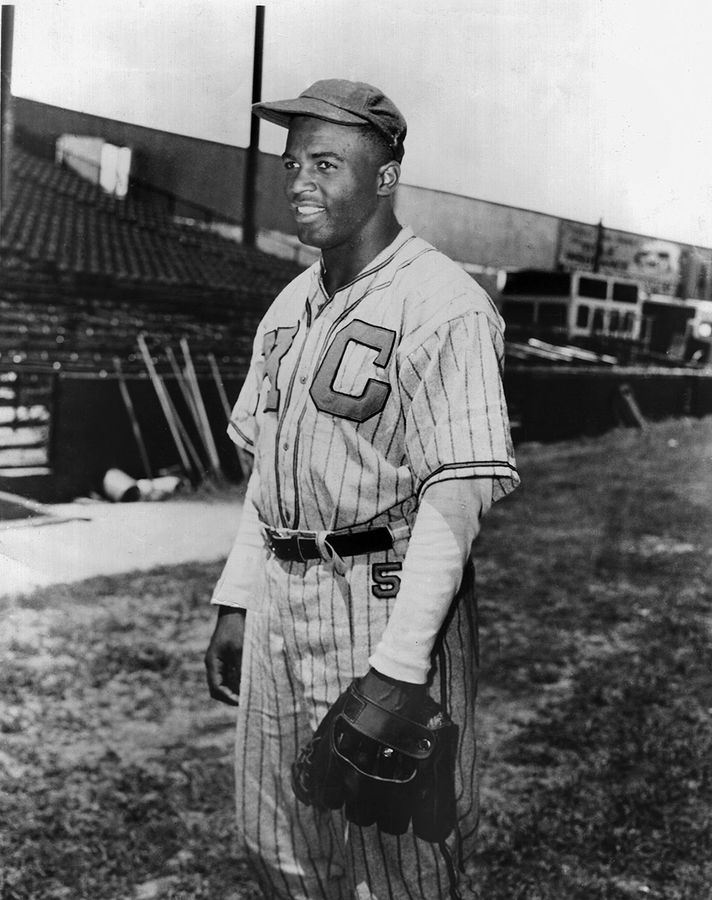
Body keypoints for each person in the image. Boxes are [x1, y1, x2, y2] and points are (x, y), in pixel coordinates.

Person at [205, 78, 519, 900]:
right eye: (291, 162)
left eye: (325, 163)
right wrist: (238, 598)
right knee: (277, 847)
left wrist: (400, 667)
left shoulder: (445, 304)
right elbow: (268, 470)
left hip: (381, 598)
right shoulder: (287, 306)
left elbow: (457, 500)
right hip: (279, 593)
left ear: (384, 177)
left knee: (396, 870)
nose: (299, 182)